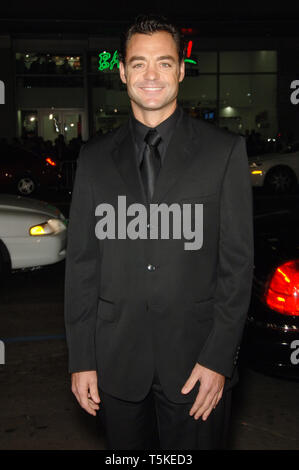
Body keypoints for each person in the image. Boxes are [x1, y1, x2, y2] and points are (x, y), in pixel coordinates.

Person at [64, 14, 254, 450]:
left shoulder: (223, 153)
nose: (151, 75)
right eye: (139, 63)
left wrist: (219, 359)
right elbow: (81, 266)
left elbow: (237, 265)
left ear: (182, 71)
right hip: (114, 363)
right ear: (122, 72)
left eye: (165, 63)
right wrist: (82, 358)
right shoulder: (93, 160)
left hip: (196, 364)